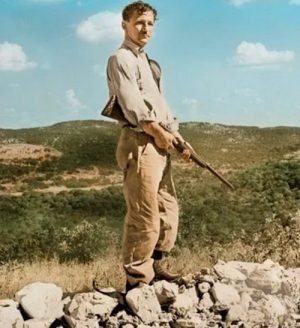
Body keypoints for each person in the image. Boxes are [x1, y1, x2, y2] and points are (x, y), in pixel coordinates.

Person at [106, 1, 190, 291]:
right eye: (139, 22)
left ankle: (156, 266)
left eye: (150, 23)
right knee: (144, 215)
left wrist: (176, 136)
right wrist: (157, 131)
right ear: (125, 25)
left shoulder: (149, 63)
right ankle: (137, 283)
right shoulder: (121, 59)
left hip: (160, 141)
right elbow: (132, 105)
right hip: (140, 142)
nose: (145, 29)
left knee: (168, 210)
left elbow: (159, 104)